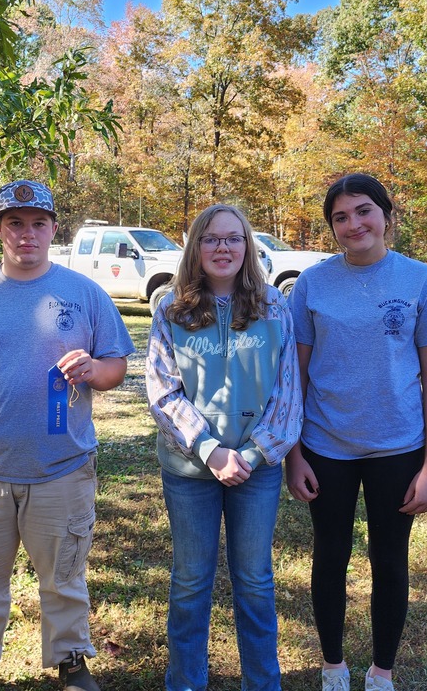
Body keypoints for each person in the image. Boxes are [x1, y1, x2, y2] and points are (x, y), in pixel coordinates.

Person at [0, 180, 135, 691]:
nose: (27, 234)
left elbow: (117, 367)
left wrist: (93, 369)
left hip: (61, 468)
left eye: (39, 223)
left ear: (54, 228)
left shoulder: (85, 294)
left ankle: (71, 659)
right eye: (15, 223)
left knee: (63, 576)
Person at [285, 173, 427, 691]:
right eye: (340, 217)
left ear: (388, 216)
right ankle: (333, 666)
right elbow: (294, 378)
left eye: (363, 211)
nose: (353, 224)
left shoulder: (422, 281)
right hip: (325, 447)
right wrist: (293, 455)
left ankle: (382, 671)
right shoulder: (311, 285)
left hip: (398, 448)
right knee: (330, 555)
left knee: (389, 559)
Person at [146, 203, 303, 691]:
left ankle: (262, 683)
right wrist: (211, 450)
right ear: (196, 245)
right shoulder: (170, 308)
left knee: (255, 582)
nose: (223, 248)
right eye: (211, 238)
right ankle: (185, 682)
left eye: (234, 238)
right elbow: (162, 389)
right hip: (189, 470)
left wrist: (253, 455)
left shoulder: (275, 306)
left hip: (257, 471)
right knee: (191, 582)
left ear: (248, 247)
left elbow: (288, 390)